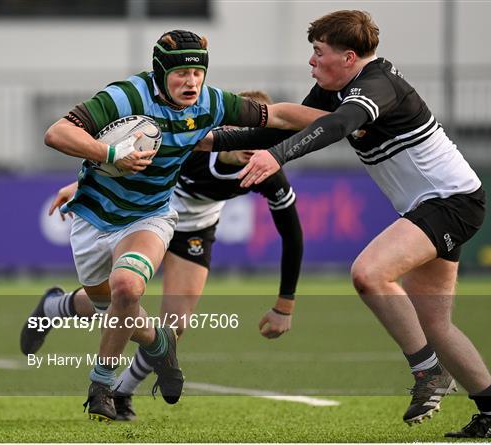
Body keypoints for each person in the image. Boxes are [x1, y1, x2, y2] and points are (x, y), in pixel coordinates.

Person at [201, 10, 491, 439]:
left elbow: (335, 125)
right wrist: (203, 140)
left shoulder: (375, 85)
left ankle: (428, 373)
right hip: (435, 206)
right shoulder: (339, 85)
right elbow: (280, 119)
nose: (311, 62)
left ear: (349, 57)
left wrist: (278, 157)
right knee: (434, 323)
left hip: (452, 202)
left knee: (369, 273)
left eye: (318, 53)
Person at [41, 29, 326, 422]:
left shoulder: (211, 106)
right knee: (115, 308)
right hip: (94, 219)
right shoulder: (124, 96)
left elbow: (278, 115)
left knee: (129, 288)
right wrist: (110, 155)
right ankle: (156, 342)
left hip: (153, 217)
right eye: (180, 73)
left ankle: (104, 387)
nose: (191, 82)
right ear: (160, 71)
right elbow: (57, 132)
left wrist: (346, 121)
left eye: (197, 72)